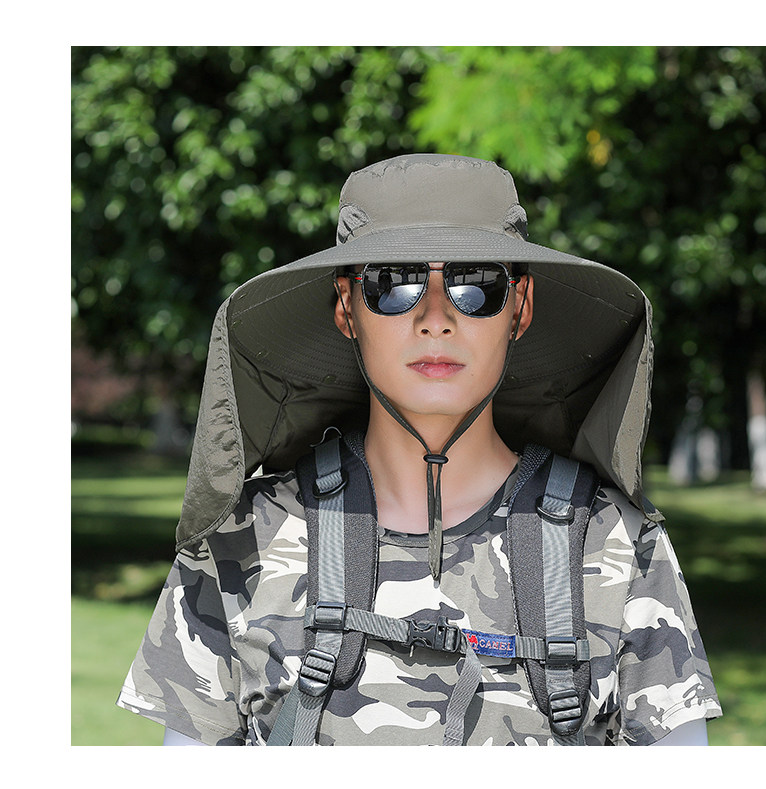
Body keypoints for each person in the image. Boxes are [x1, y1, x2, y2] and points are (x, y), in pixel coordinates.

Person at [117, 153, 722, 746]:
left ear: (520, 307)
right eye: (393, 283)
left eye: (477, 286)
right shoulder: (239, 545)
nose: (436, 318)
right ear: (346, 307)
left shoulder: (618, 545)